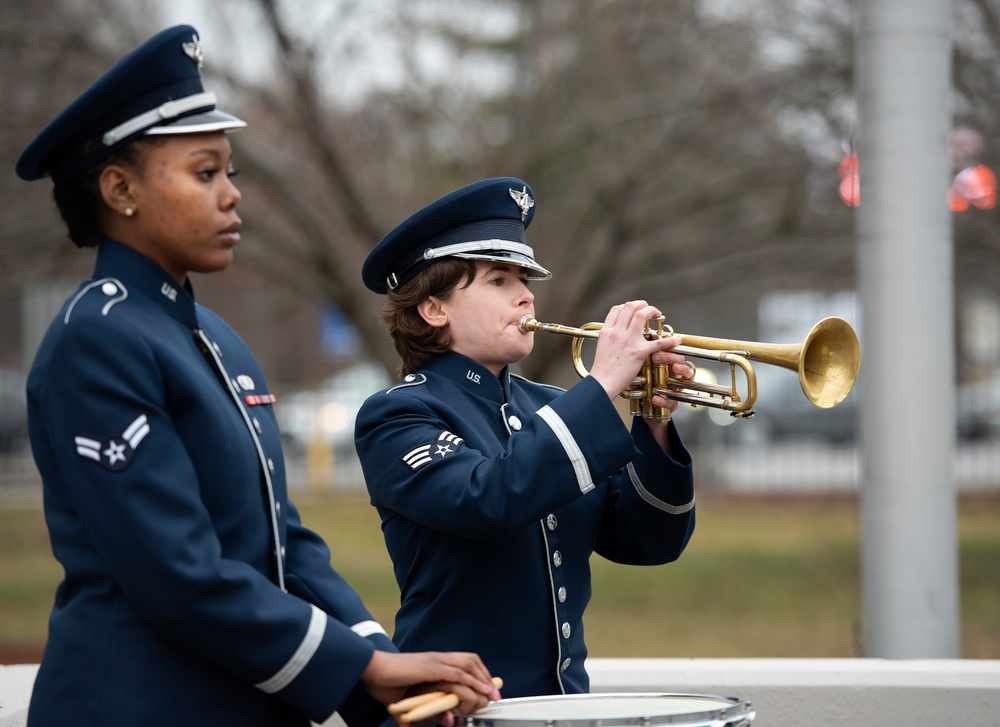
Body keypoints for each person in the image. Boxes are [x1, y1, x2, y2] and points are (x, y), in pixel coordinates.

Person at [14, 25, 499, 727]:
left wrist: (371, 654)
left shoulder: (216, 339)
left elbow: (281, 540)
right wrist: (360, 668)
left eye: (230, 172)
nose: (232, 194)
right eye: (205, 172)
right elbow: (176, 575)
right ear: (119, 188)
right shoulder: (98, 338)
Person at [354, 177, 697, 698]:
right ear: (433, 308)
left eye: (523, 277)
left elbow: (649, 543)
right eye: (498, 280)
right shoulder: (398, 414)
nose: (525, 294)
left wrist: (654, 417)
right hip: (460, 710)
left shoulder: (553, 408)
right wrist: (603, 386)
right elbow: (491, 498)